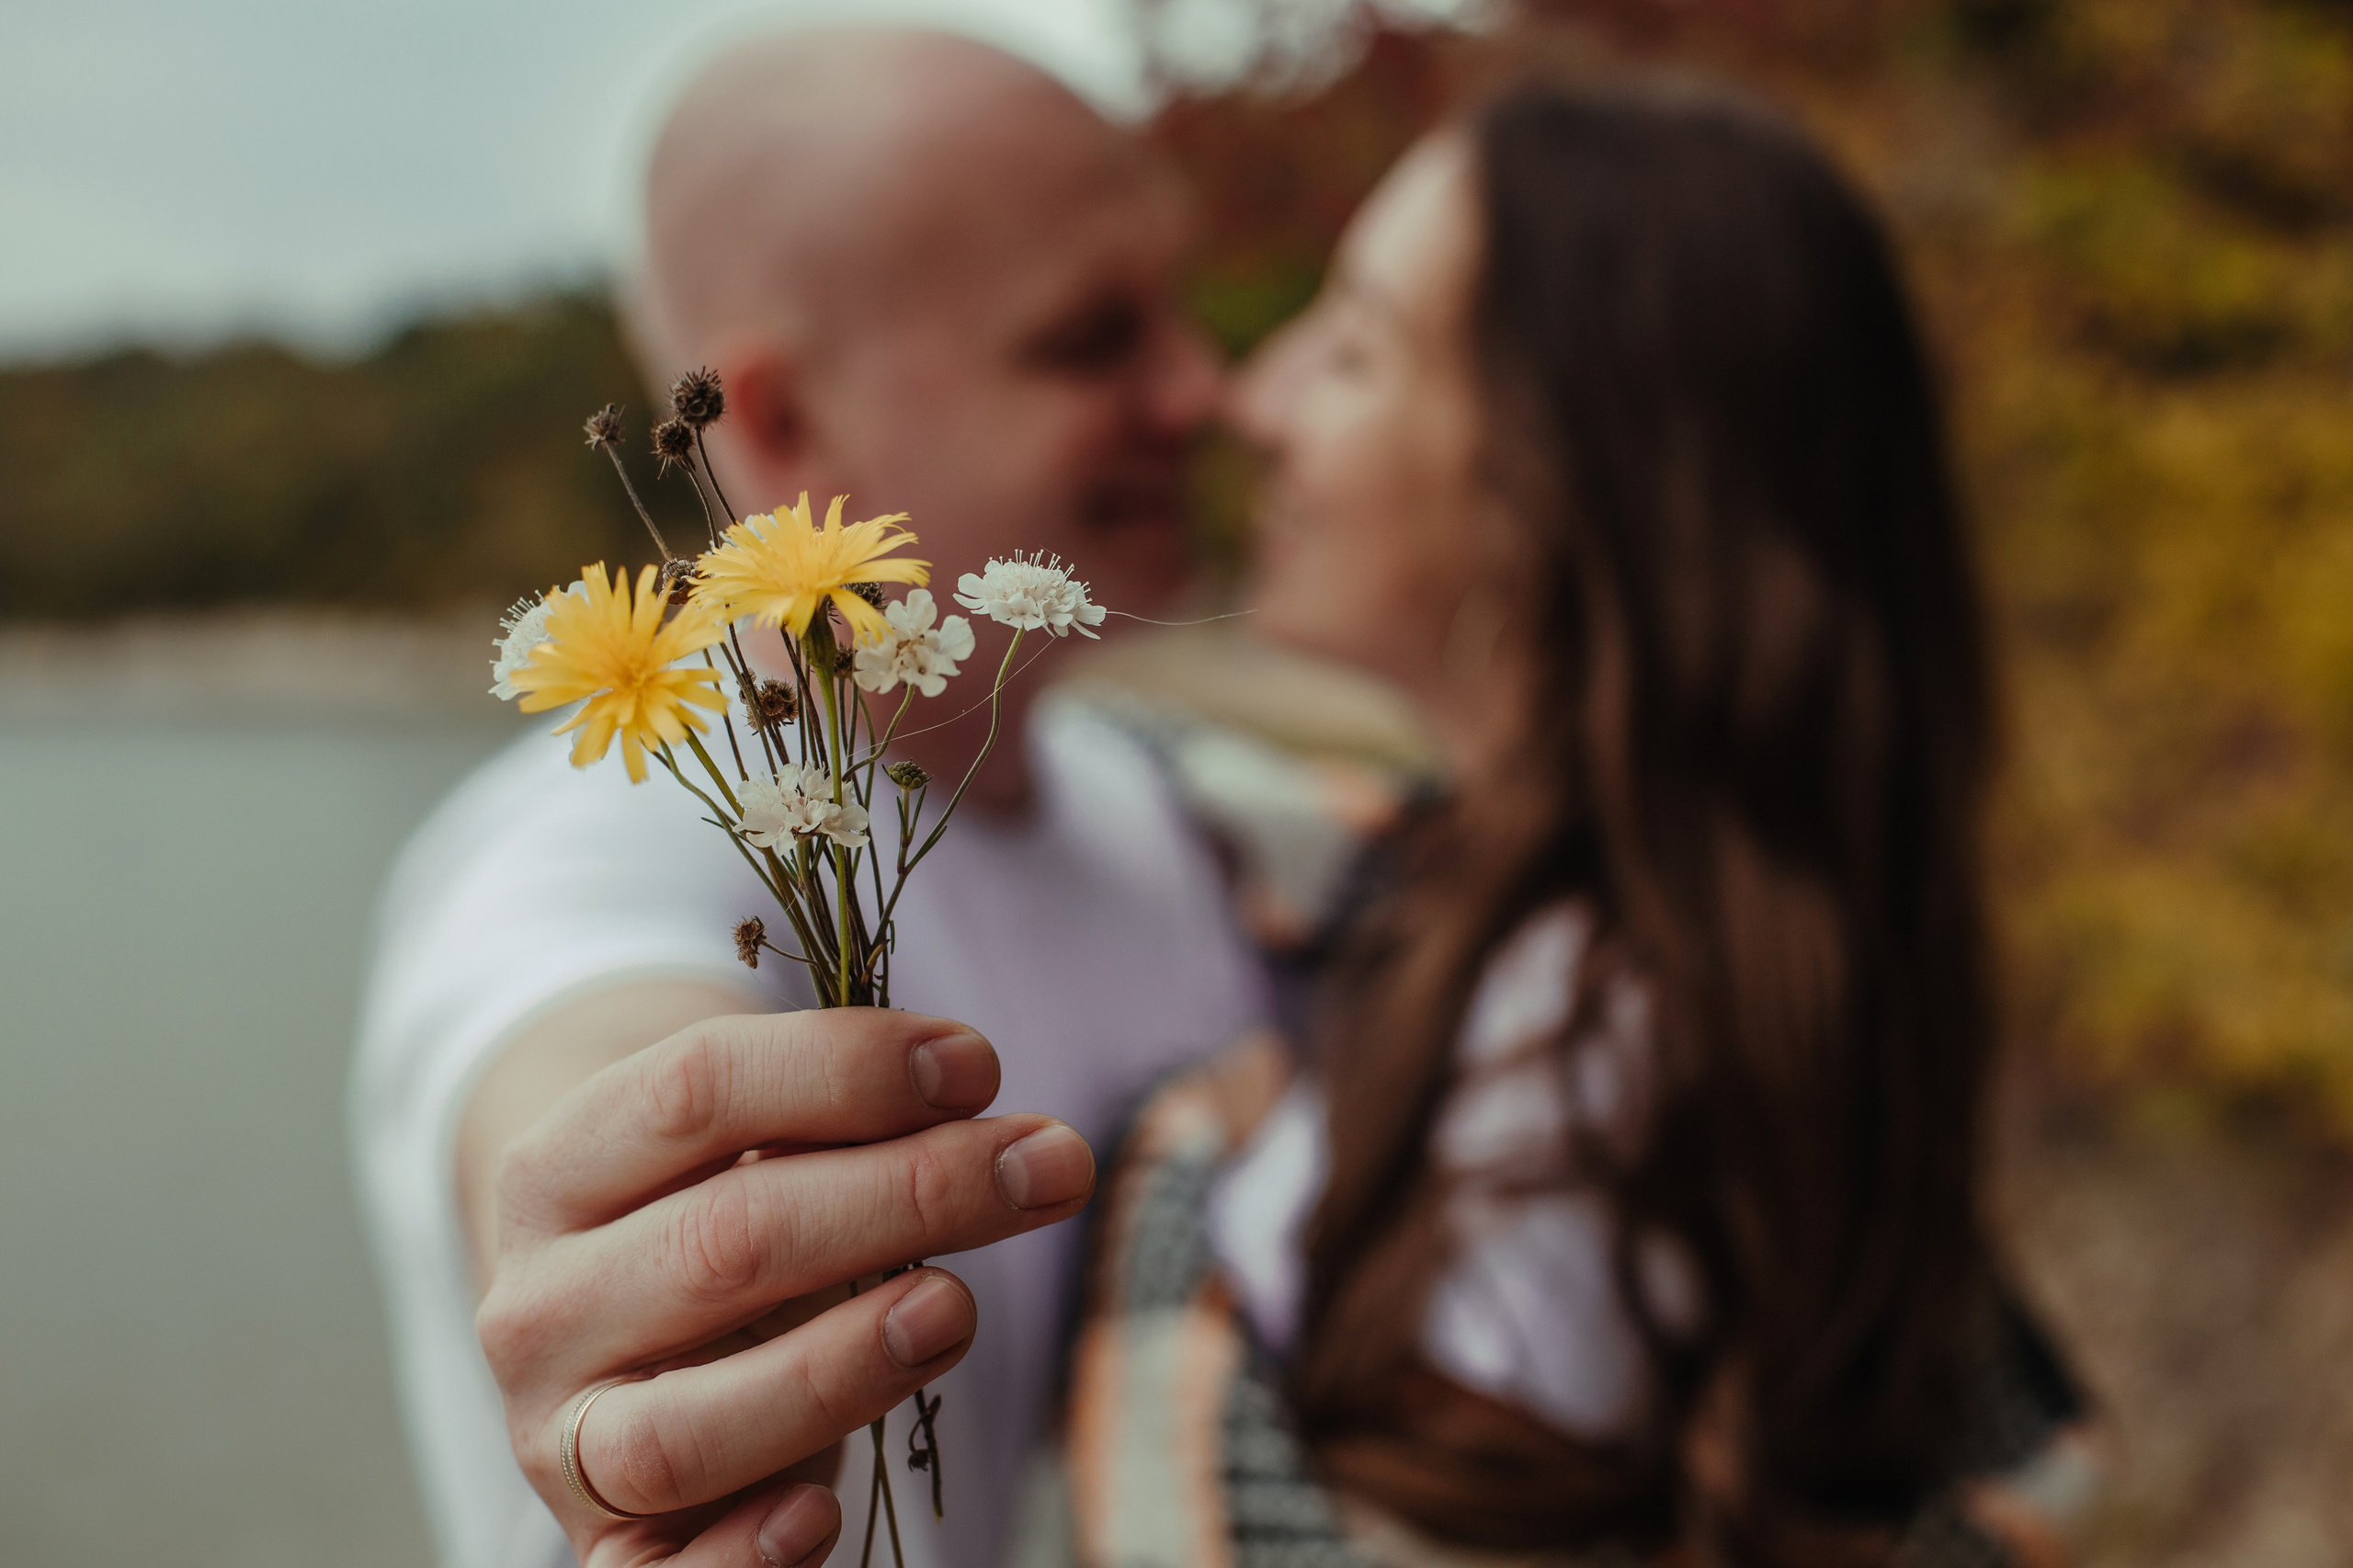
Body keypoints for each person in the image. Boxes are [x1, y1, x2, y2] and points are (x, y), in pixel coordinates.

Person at [1061, 80, 2097, 1568]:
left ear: (1551, 483)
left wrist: (1180, 1163)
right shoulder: (1585, 928)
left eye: (1352, 349)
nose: (1256, 397)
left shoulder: (1587, 1069)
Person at [350, 27, 1260, 1568]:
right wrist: (642, 1238)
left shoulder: (1156, 814)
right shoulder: (593, 834)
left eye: (1175, 310)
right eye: (1092, 338)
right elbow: (567, 1035)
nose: (1202, 387)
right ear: (772, 425)